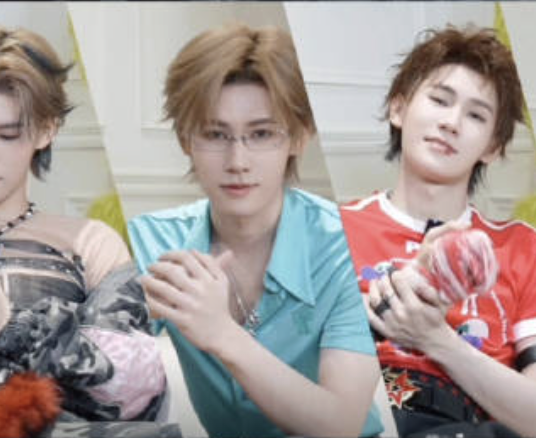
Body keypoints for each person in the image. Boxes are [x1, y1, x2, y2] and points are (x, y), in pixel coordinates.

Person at [0, 24, 172, 438]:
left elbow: (133, 393)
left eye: (8, 135)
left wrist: (9, 328)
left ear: (47, 130)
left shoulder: (90, 243)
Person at [128, 23, 384, 438]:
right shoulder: (150, 240)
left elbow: (339, 423)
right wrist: (123, 318)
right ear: (185, 140)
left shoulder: (351, 246)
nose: (238, 161)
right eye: (215, 134)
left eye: (261, 134)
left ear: (299, 137)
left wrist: (222, 333)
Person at [339, 25, 536, 437]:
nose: (451, 123)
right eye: (439, 100)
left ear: (493, 147)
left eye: (476, 115)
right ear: (398, 109)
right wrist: (399, 296)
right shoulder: (333, 229)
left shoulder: (522, 247)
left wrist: (437, 340)